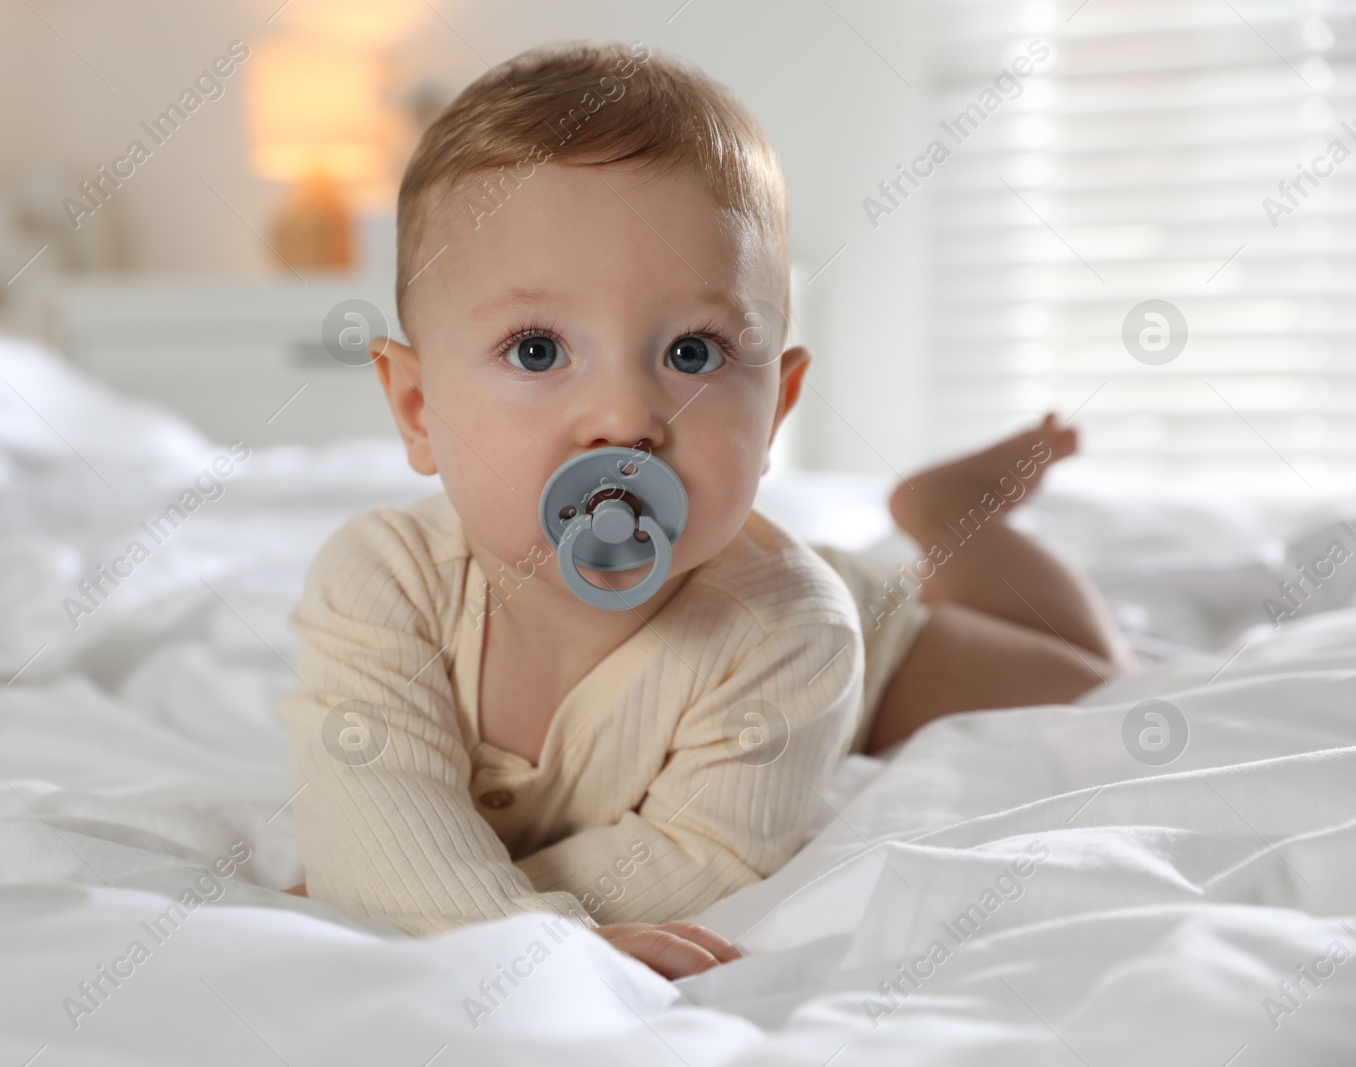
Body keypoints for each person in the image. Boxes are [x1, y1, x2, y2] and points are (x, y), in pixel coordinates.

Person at [278, 40, 1136, 981]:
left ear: (776, 410)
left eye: (693, 353)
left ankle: (952, 512)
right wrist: (420, 878)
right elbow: (373, 791)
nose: (623, 418)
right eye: (535, 351)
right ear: (417, 409)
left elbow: (703, 854)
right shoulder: (383, 582)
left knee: (1094, 675)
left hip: (874, 641)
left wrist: (447, 901)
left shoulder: (794, 634)